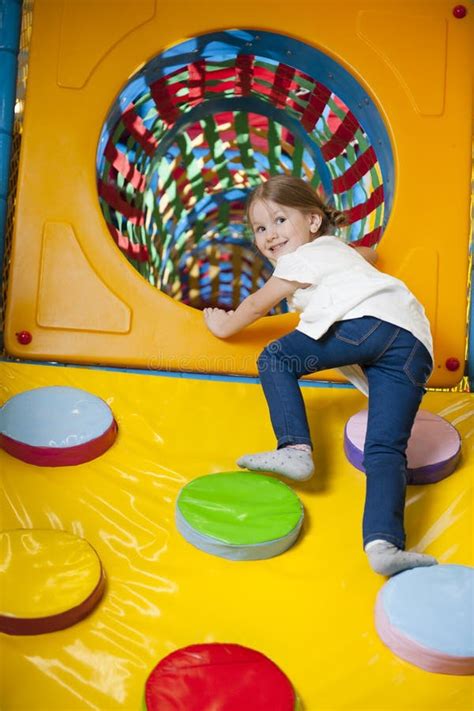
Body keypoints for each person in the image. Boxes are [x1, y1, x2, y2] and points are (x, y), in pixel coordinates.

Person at [203, 174, 437, 577]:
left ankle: (295, 448)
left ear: (313, 222)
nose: (270, 236)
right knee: (385, 451)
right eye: (260, 228)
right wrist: (348, 250)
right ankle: (384, 545)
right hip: (413, 344)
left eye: (279, 221)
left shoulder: (301, 259)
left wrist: (222, 325)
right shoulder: (336, 251)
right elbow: (371, 256)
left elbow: (259, 304)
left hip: (368, 324)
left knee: (276, 358)